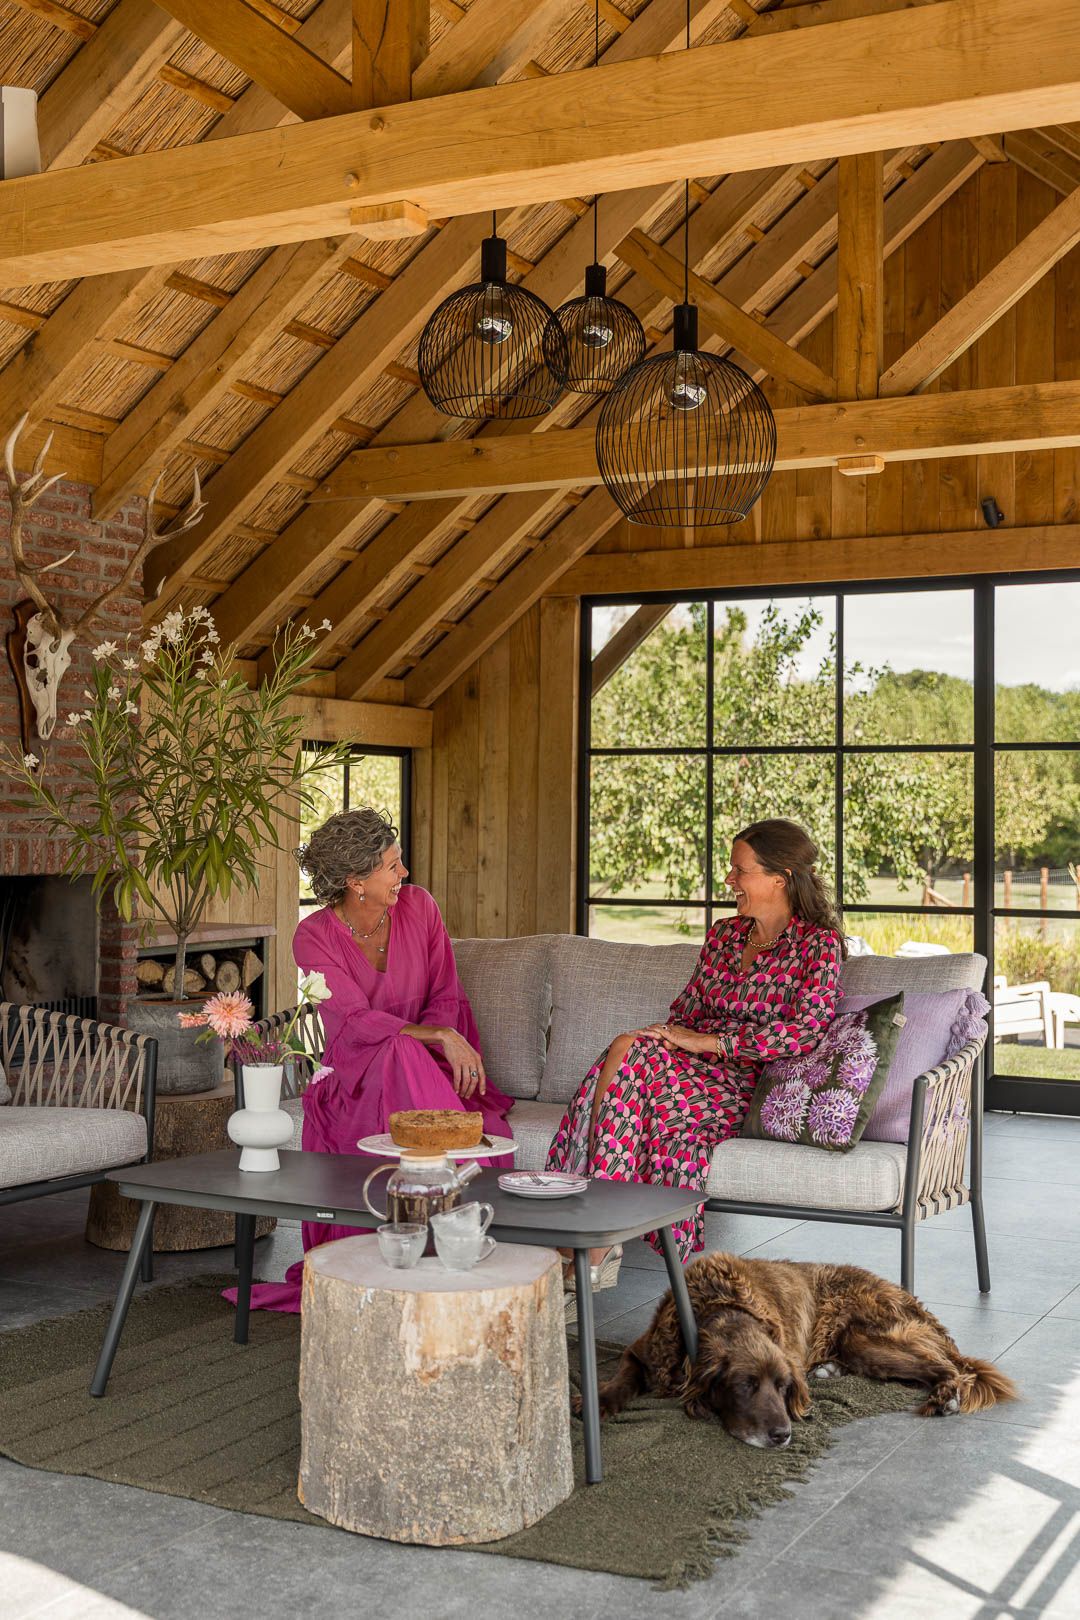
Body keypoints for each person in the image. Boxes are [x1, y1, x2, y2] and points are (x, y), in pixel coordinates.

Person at [236, 807, 513, 1313]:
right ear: (354, 880)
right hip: (354, 1079)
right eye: (392, 864)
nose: (403, 874)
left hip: (426, 1069)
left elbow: (445, 997)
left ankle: (442, 1227)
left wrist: (441, 1040)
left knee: (407, 1048)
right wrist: (431, 1035)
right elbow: (355, 1022)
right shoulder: (313, 935)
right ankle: (453, 1221)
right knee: (397, 1044)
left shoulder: (421, 908)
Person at [546, 818, 846, 1280]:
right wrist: (671, 1036)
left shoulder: (817, 945)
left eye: (739, 871)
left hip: (744, 1080)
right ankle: (592, 1247)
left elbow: (804, 1031)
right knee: (631, 1048)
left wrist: (713, 1042)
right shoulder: (724, 935)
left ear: (779, 879)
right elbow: (687, 1007)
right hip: (687, 1068)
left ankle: (587, 1242)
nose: (729, 880)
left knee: (628, 1057)